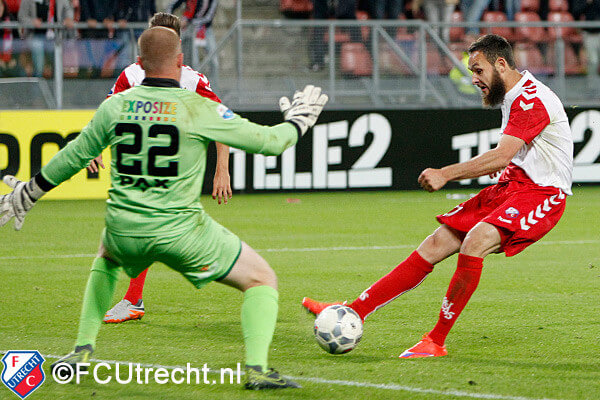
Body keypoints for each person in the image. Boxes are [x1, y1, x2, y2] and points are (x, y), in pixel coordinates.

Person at [0, 26, 328, 388]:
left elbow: (74, 156)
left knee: (107, 254)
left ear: (139, 64)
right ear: (180, 61)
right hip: (180, 232)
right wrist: (298, 121)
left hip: (124, 228)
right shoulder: (198, 108)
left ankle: (81, 351)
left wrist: (28, 194)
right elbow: (268, 142)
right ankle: (257, 370)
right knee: (262, 279)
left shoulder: (116, 105)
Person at [303, 34, 573, 358]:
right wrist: (507, 167)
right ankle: (355, 310)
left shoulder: (530, 99)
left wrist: (445, 173)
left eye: (478, 70)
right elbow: (516, 154)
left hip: (543, 194)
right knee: (434, 244)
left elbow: (502, 155)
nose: (474, 79)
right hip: (512, 187)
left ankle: (436, 340)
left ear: (501, 64)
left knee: (475, 241)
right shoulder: (514, 95)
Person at [89, 12, 233, 324]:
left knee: (138, 227)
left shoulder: (192, 80)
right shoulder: (131, 75)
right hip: (138, 167)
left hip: (174, 169)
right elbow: (108, 112)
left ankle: (133, 300)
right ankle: (138, 296)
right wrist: (95, 146)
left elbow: (223, 121)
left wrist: (222, 168)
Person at [168, 0, 219, 86]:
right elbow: (172, 6)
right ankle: (191, 87)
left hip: (205, 30)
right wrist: (173, 21)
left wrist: (188, 22)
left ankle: (213, 88)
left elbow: (208, 17)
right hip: (189, 30)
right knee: (193, 62)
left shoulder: (213, 1)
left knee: (214, 61)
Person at [18, 0, 74, 77]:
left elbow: (68, 10)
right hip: (35, 35)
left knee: (57, 65)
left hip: (55, 36)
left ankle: (55, 86)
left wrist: (69, 18)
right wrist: (32, 22)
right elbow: (21, 16)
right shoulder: (27, 1)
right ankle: (37, 86)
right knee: (39, 66)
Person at [572, 0, 600, 86]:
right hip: (590, 34)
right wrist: (587, 3)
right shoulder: (582, 1)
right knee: (593, 61)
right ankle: (592, 85)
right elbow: (576, 13)